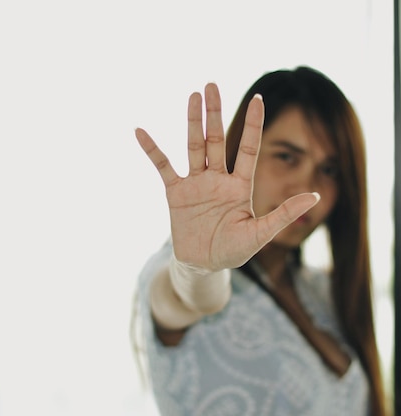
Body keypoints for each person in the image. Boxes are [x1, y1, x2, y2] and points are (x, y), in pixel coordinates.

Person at [132, 66, 387, 416]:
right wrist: (199, 268)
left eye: (329, 170)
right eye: (286, 157)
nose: (306, 187)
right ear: (243, 154)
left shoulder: (323, 292)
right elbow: (184, 296)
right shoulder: (181, 269)